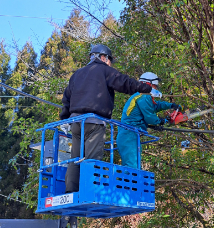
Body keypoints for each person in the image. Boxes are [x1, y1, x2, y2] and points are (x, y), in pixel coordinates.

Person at [61, 45, 153, 192]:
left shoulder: (77, 75)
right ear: (103, 57)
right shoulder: (104, 70)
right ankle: (89, 191)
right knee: (91, 158)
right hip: (94, 122)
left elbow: (66, 99)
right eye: (110, 60)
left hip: (76, 123)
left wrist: (64, 119)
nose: (110, 63)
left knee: (75, 158)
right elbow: (125, 83)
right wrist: (147, 89)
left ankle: (70, 191)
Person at [117, 72, 181, 168]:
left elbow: (155, 106)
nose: (156, 88)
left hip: (131, 134)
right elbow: (149, 116)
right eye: (155, 86)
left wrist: (171, 105)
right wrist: (160, 121)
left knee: (134, 165)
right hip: (129, 134)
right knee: (132, 166)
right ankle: (130, 182)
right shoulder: (143, 96)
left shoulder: (142, 96)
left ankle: (132, 182)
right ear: (148, 84)